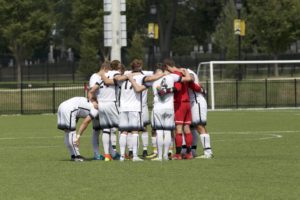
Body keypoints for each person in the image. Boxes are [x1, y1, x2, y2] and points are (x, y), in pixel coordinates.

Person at [117, 60, 164, 161]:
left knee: (124, 131)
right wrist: (165, 73)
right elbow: (154, 77)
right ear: (140, 66)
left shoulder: (124, 76)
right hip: (134, 107)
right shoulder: (141, 77)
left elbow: (116, 78)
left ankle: (121, 156)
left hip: (123, 107)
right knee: (135, 131)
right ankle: (134, 156)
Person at [89, 60, 126, 161]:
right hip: (112, 103)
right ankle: (123, 155)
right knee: (123, 127)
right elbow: (114, 80)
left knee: (106, 129)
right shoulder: (116, 74)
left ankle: (107, 155)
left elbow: (92, 90)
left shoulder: (102, 76)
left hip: (101, 105)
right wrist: (128, 76)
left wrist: (93, 100)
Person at [164, 58, 195, 160]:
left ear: (167, 66)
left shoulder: (176, 74)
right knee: (186, 128)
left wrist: (166, 91)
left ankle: (178, 154)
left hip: (179, 103)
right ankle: (189, 153)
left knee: (178, 129)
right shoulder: (183, 72)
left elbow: (178, 88)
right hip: (187, 103)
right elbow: (191, 81)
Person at [57, 97, 98, 162]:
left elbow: (78, 113)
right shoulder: (96, 109)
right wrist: (78, 136)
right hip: (70, 109)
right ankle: (77, 156)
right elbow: (85, 122)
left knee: (67, 131)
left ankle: (73, 155)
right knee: (71, 132)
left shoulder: (89, 102)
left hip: (61, 106)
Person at [187, 68, 213, 159]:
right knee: (192, 127)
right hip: (192, 103)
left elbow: (191, 78)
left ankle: (208, 152)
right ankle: (193, 151)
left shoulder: (188, 72)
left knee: (200, 126)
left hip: (197, 102)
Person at [88, 64, 104, 160]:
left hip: (104, 106)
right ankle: (96, 153)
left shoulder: (103, 77)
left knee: (108, 130)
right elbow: (92, 91)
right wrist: (94, 102)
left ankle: (110, 153)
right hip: (97, 107)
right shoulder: (95, 77)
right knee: (96, 130)